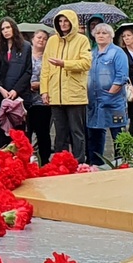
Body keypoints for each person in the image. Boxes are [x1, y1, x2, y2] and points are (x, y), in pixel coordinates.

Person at [40, 10, 93, 160]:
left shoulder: (82, 40)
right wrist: (44, 91)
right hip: (56, 95)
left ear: (72, 22)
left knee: (77, 132)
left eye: (66, 21)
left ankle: (79, 162)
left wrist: (65, 64)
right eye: (60, 21)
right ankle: (60, 163)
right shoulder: (52, 41)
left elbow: (86, 63)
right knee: (60, 132)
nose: (63, 24)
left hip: (75, 94)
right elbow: (45, 68)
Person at [85, 20, 131, 164]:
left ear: (111, 36)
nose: (101, 36)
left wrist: (110, 94)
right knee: (94, 133)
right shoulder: (91, 54)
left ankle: (120, 162)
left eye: (104, 33)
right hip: (94, 102)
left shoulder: (118, 53)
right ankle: (96, 164)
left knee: (118, 133)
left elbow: (121, 77)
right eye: (98, 33)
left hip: (114, 102)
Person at [0, 18, 30, 143]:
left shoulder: (26, 46)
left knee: (18, 134)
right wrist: (0, 88)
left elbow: (28, 71)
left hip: (18, 96)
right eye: (3, 29)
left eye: (8, 27)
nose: (5, 31)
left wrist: (15, 90)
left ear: (14, 28)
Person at [26, 30, 51, 161]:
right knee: (25, 133)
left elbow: (52, 76)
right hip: (25, 99)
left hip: (42, 101)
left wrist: (40, 85)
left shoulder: (49, 56)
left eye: (44, 38)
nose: (41, 40)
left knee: (43, 133)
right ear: (32, 39)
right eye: (39, 37)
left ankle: (45, 161)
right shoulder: (24, 53)